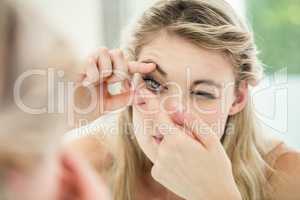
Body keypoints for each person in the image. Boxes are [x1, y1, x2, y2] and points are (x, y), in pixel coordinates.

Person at [70, 0, 300, 200]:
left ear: (237, 98)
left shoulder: (289, 179)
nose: (171, 114)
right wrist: (60, 116)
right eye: (153, 84)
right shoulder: (84, 167)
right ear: (129, 82)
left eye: (202, 93)